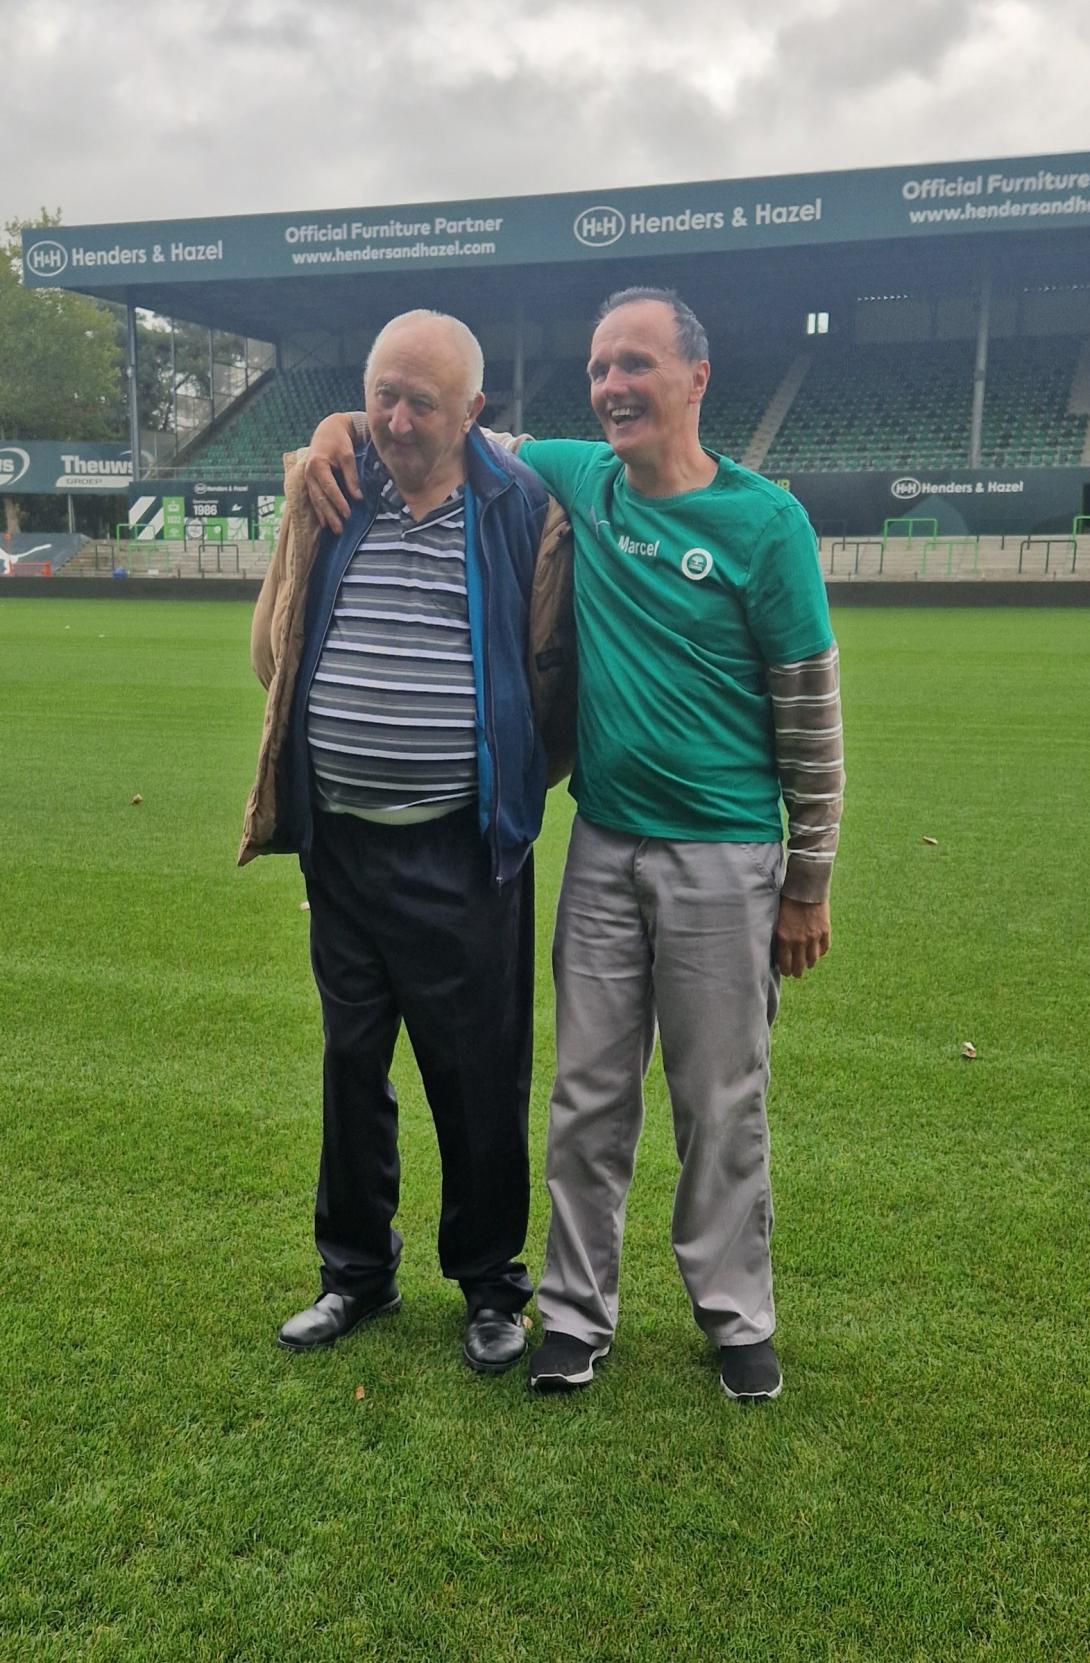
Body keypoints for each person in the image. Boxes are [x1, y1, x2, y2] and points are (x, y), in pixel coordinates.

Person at [303, 287, 844, 1402]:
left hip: (724, 856)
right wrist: (332, 428)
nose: (610, 387)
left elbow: (810, 714)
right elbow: (432, 419)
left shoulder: (763, 522)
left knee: (719, 1098)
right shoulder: (582, 480)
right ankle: (575, 1315)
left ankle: (734, 1312)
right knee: (587, 1096)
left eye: (634, 365)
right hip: (602, 842)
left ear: (696, 379)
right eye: (600, 368)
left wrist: (807, 879)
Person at [239, 309, 573, 1374]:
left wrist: (514, 774)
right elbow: (271, 655)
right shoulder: (333, 490)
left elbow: (553, 675)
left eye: (420, 399)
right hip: (342, 846)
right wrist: (318, 458)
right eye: (379, 392)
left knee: (476, 1075)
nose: (393, 417)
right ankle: (355, 1275)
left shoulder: (518, 500)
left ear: (475, 410)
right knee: (350, 1065)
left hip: (462, 852)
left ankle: (488, 1286)